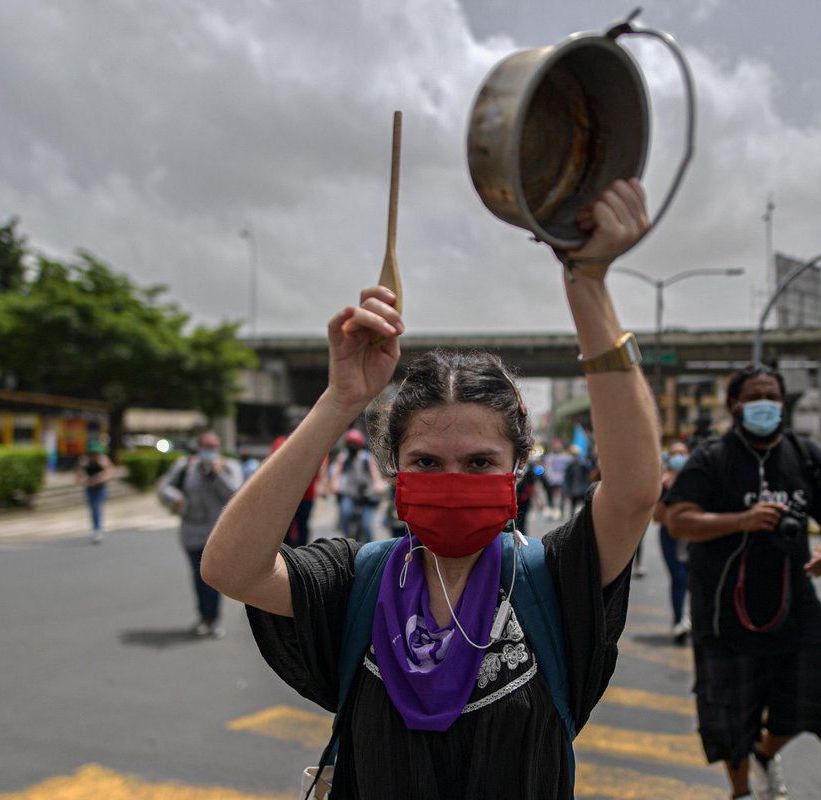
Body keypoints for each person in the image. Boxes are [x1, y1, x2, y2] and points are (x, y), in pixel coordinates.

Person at [201, 179, 660, 798]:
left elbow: (633, 490)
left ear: (518, 464)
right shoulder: (356, 583)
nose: (452, 480)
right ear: (392, 464)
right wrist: (341, 401)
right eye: (425, 461)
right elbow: (231, 567)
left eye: (478, 463)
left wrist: (589, 285)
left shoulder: (555, 582)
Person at [666, 364, 821, 800]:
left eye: (772, 395)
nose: (765, 403)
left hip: (795, 601)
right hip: (723, 608)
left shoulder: (807, 455)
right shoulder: (712, 457)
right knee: (728, 713)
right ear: (735, 405)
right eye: (755, 395)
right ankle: (742, 791)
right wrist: (743, 520)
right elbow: (678, 520)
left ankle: (766, 753)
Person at [159, 431, 243, 638]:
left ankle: (213, 619)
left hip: (217, 534)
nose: (209, 451)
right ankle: (204, 617)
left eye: (213, 447)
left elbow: (238, 495)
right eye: (205, 446)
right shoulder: (185, 466)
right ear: (199, 447)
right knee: (198, 577)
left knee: (213, 577)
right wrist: (176, 498)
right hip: (191, 532)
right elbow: (164, 488)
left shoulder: (229, 466)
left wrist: (218, 475)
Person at [653, 440, 691, 643]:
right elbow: (657, 516)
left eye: (682, 453)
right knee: (678, 578)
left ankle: (692, 619)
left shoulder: (697, 478)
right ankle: (678, 622)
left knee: (693, 579)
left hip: (693, 536)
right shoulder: (663, 483)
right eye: (674, 453)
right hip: (670, 536)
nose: (678, 457)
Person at [268, 434, 327, 547]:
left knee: (300, 526)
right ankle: (288, 554)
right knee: (286, 528)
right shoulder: (280, 442)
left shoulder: (316, 442)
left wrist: (322, 485)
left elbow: (322, 467)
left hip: (305, 495)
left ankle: (298, 553)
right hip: (286, 495)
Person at [329, 428, 383, 543]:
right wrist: (334, 485)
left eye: (355, 443)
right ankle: (347, 542)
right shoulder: (343, 458)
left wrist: (378, 485)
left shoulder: (366, 458)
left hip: (367, 494)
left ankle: (370, 547)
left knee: (366, 525)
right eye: (350, 443)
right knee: (345, 513)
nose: (352, 446)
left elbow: (375, 473)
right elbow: (336, 474)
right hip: (350, 493)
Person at [74, 440, 114, 544]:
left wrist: (99, 479)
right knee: (92, 508)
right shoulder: (84, 461)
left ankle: (98, 529)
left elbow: (110, 472)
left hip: (100, 488)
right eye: (92, 454)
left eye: (95, 454)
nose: (93, 456)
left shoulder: (103, 460)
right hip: (89, 488)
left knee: (97, 507)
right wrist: (84, 480)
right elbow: (77, 473)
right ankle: (95, 528)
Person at [541, 438, 573, 520]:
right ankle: (552, 512)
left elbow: (571, 464)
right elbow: (544, 466)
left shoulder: (566, 457)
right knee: (550, 496)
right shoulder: (549, 457)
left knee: (562, 496)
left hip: (562, 479)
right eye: (555, 444)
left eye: (558, 444)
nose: (557, 446)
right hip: (551, 479)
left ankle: (560, 512)